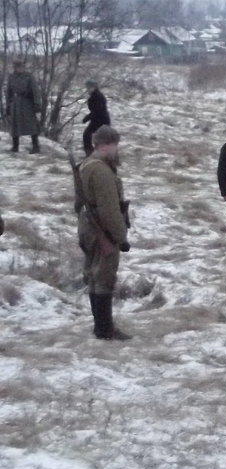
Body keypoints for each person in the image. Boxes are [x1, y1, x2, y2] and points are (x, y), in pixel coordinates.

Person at [76, 125, 132, 341]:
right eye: (115, 145)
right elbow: (109, 209)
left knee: (94, 275)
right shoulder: (100, 170)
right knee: (104, 278)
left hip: (89, 227)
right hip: (102, 230)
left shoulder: (87, 165)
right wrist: (121, 236)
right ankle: (105, 329)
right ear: (106, 145)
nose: (117, 150)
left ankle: (100, 326)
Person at [5, 60, 40, 154]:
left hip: (27, 103)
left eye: (22, 66)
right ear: (15, 68)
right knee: (15, 125)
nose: (20, 68)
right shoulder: (11, 77)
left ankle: (36, 146)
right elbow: (8, 92)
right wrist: (8, 105)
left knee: (31, 124)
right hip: (15, 104)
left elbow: (35, 90)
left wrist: (37, 103)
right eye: (18, 67)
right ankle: (15, 146)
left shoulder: (29, 76)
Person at [81, 79, 110, 156]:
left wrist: (86, 118)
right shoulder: (94, 96)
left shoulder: (98, 96)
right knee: (88, 136)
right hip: (97, 120)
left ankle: (91, 154)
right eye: (87, 87)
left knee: (88, 135)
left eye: (89, 87)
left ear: (94, 87)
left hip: (101, 120)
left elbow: (97, 110)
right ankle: (92, 154)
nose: (87, 89)